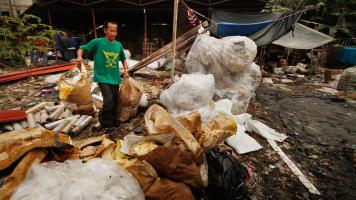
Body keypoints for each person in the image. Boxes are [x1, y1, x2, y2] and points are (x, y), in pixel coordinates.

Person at [77, 20, 129, 129]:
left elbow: (123, 59)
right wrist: (79, 56)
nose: (113, 33)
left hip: (114, 78)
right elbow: (82, 48)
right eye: (111, 31)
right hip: (102, 77)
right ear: (105, 30)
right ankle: (106, 124)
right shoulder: (98, 42)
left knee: (114, 101)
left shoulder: (118, 45)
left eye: (115, 31)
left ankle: (106, 117)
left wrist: (126, 70)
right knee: (109, 100)